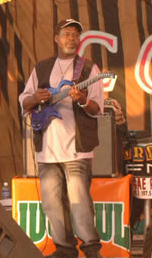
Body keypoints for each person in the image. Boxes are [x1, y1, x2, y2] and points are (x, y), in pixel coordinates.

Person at [18, 19, 104, 258]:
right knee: (52, 205)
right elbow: (24, 101)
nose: (71, 39)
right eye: (66, 34)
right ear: (56, 38)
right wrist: (36, 98)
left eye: (75, 35)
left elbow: (97, 108)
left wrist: (82, 100)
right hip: (47, 150)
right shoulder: (42, 68)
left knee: (80, 205)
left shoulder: (88, 69)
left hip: (77, 149)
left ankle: (91, 250)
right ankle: (65, 250)